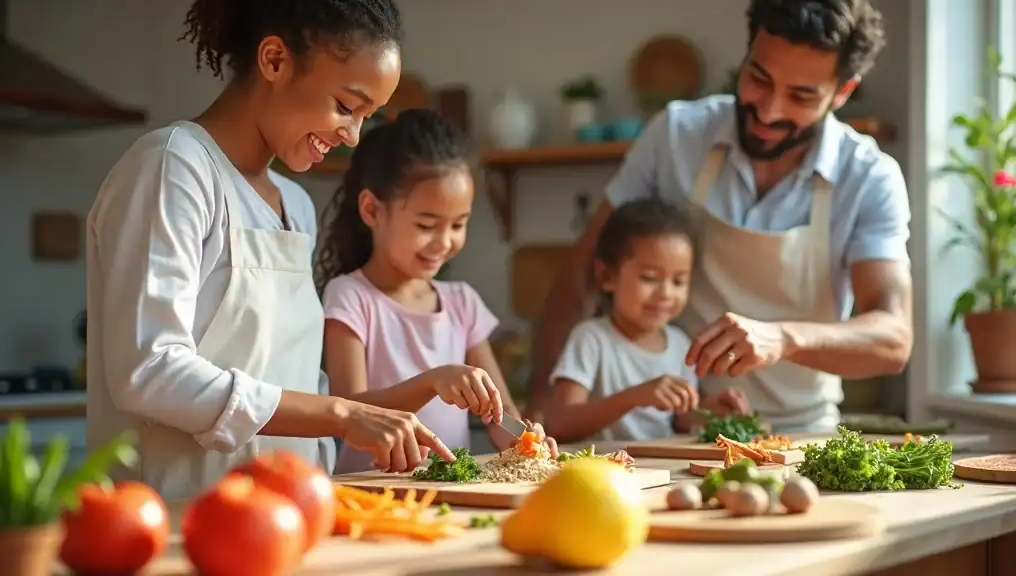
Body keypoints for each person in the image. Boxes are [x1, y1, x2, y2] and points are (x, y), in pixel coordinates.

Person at [85, 0, 456, 501]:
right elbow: (148, 369)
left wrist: (369, 419)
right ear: (275, 60)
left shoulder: (295, 205)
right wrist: (344, 415)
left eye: (366, 117)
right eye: (346, 107)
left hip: (286, 514)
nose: (352, 136)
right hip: (173, 516)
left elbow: (294, 383)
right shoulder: (174, 168)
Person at [528, 0, 913, 434]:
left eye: (802, 95)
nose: (768, 111)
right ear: (745, 57)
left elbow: (893, 338)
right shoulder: (675, 136)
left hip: (804, 431)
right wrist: (543, 405)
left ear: (841, 93)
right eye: (758, 79)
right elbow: (583, 271)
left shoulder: (868, 177)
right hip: (684, 430)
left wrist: (784, 339)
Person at [315, 109, 558, 474]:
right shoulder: (350, 296)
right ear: (372, 210)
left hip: (449, 489)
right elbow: (349, 408)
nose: (444, 242)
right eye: (427, 225)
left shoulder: (461, 302)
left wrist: (526, 439)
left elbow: (500, 416)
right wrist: (431, 382)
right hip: (370, 488)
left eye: (459, 224)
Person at [546, 199, 750, 444]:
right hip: (603, 473)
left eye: (678, 281)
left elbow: (680, 419)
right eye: (650, 278)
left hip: (663, 473)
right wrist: (635, 397)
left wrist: (710, 412)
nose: (666, 294)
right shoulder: (591, 339)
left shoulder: (681, 344)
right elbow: (559, 424)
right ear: (607, 276)